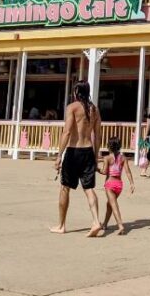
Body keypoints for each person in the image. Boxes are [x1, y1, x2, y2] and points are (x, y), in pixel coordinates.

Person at [50, 81, 103, 236]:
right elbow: (98, 136)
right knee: (89, 188)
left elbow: (66, 132)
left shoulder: (72, 107)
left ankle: (61, 225)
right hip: (87, 151)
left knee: (65, 187)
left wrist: (59, 156)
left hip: (73, 152)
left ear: (76, 92)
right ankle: (96, 221)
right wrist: (95, 156)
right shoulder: (94, 109)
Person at [98, 136, 134, 235]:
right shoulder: (123, 158)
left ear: (109, 146)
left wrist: (96, 169)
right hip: (119, 185)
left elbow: (104, 172)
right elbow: (128, 172)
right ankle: (105, 224)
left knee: (113, 205)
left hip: (110, 184)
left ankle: (120, 225)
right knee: (109, 204)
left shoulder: (107, 158)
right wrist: (131, 183)